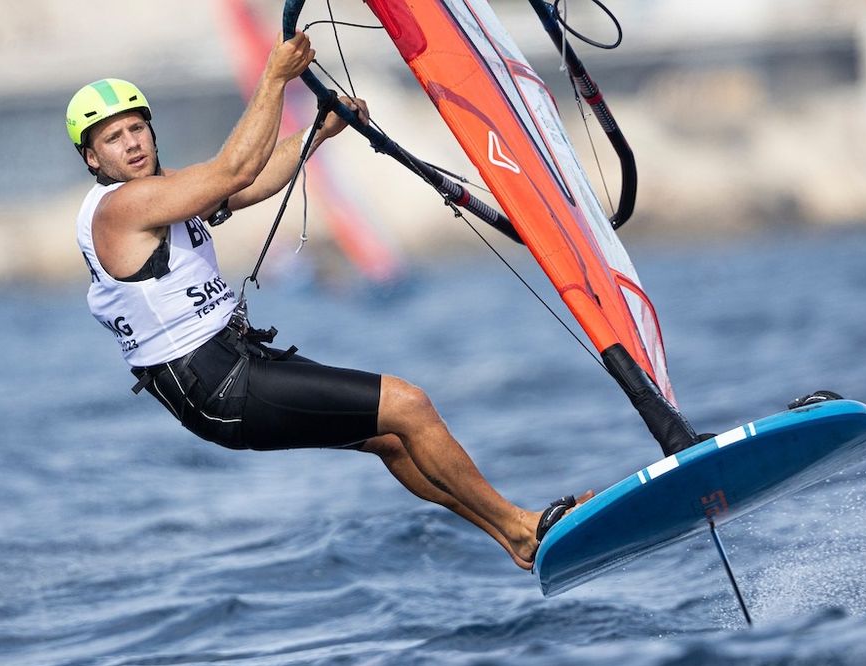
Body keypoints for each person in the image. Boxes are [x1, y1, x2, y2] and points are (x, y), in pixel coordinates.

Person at [66, 32, 591, 571]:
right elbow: (233, 170)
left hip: (232, 367)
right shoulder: (121, 208)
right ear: (92, 158)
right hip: (215, 381)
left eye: (136, 128)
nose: (131, 143)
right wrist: (275, 76)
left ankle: (513, 538)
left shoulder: (165, 191)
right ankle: (522, 527)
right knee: (408, 404)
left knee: (392, 436)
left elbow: (247, 185)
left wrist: (317, 130)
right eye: (112, 138)